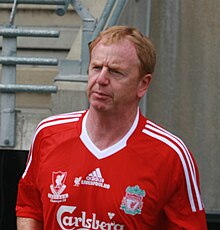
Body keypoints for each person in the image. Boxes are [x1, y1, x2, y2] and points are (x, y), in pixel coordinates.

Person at [16, 25, 207, 229]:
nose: (101, 80)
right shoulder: (48, 133)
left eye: (116, 72)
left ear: (143, 84)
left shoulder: (171, 155)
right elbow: (30, 206)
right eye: (97, 67)